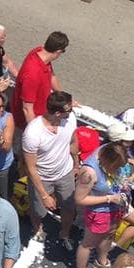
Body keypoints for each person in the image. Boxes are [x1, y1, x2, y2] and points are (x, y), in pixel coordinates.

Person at [74, 142, 134, 268]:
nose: (117, 170)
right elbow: (80, 199)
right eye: (115, 167)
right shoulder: (89, 172)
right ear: (107, 160)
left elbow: (117, 178)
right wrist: (109, 198)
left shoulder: (111, 154)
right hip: (99, 211)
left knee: (109, 235)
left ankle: (102, 260)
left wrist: (125, 185)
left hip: (116, 207)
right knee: (88, 243)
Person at [22, 91, 78, 247]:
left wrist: (76, 163)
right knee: (38, 210)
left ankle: (64, 233)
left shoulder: (70, 119)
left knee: (69, 206)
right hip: (42, 177)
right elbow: (31, 167)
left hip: (65, 173)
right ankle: (37, 229)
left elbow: (73, 141)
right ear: (58, 113)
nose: (72, 111)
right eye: (69, 109)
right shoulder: (33, 133)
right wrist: (44, 195)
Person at [12, 31, 69, 140]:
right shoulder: (33, 74)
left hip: (40, 116)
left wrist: (63, 99)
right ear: (58, 51)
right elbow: (27, 109)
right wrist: (35, 134)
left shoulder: (39, 52)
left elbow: (51, 76)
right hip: (28, 122)